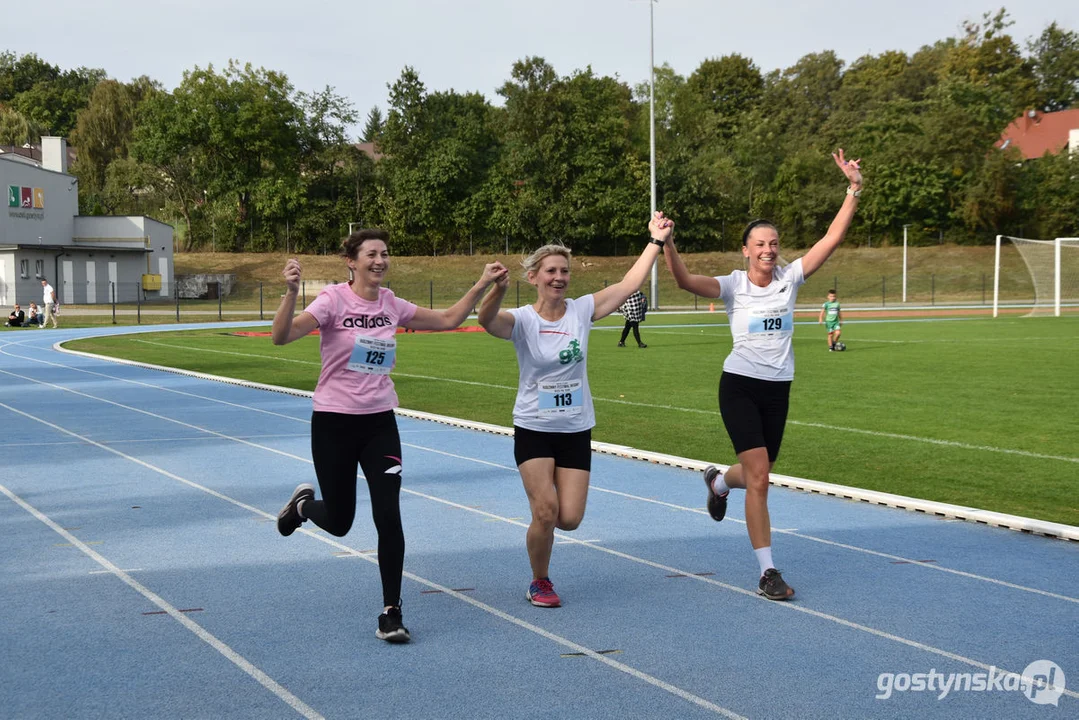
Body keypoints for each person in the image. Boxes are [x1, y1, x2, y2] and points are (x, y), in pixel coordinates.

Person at [272, 228, 508, 643]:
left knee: (388, 515)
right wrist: (290, 292)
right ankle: (305, 507)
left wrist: (482, 283)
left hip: (380, 423)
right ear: (351, 260)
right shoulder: (332, 300)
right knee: (342, 522)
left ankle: (391, 611)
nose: (380, 261)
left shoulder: (391, 303)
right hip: (334, 422)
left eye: (385, 254)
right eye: (371, 254)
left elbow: (450, 319)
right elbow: (282, 335)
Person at [661, 150, 863, 601]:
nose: (769, 249)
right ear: (746, 250)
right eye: (760, 244)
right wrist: (668, 244)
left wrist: (853, 190)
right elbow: (686, 282)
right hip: (739, 386)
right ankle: (767, 571)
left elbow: (831, 239)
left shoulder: (791, 278)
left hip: (778, 390)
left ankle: (716, 482)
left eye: (774, 243)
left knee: (758, 472)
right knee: (761, 478)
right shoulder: (733, 284)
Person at [478, 212, 674, 608]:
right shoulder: (522, 320)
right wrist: (496, 289)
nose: (559, 277)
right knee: (547, 511)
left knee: (569, 519)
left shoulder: (581, 311)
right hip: (534, 426)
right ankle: (540, 580)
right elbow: (485, 319)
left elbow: (628, 285)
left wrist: (655, 241)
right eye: (550, 270)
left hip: (575, 428)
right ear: (533, 276)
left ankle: (542, 533)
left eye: (564, 271)